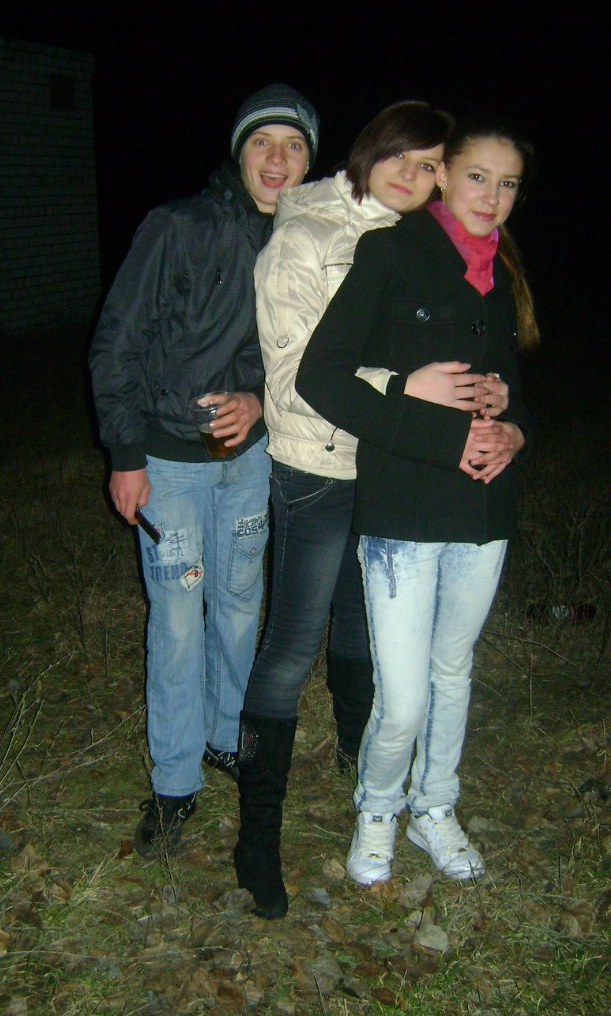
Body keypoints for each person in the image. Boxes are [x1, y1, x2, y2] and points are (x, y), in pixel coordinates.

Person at [233, 102, 511, 919]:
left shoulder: (425, 243)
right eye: (401, 157)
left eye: (429, 165)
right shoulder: (307, 237)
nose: (412, 177)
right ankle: (258, 837)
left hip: (390, 469)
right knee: (293, 645)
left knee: (363, 639)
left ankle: (369, 783)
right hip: (321, 468)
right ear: (368, 152)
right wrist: (404, 387)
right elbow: (298, 377)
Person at [296, 116, 538, 887]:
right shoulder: (392, 252)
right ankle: (377, 808)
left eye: (508, 184)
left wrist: (515, 429)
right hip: (403, 509)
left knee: (453, 672)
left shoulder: (502, 270)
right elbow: (319, 376)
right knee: (402, 699)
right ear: (444, 177)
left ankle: (435, 805)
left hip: (483, 510)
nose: (491, 196)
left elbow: (514, 386)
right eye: (477, 176)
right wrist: (433, 430)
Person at [88, 84, 320, 859]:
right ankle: (175, 782)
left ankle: (226, 737)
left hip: (246, 463)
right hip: (171, 467)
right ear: (239, 152)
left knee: (241, 606)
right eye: (263, 142)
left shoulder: (299, 247)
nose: (278, 159)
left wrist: (257, 400)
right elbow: (115, 343)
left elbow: (300, 359)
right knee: (180, 622)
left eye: (294, 146)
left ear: (309, 163)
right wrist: (126, 456)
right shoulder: (178, 227)